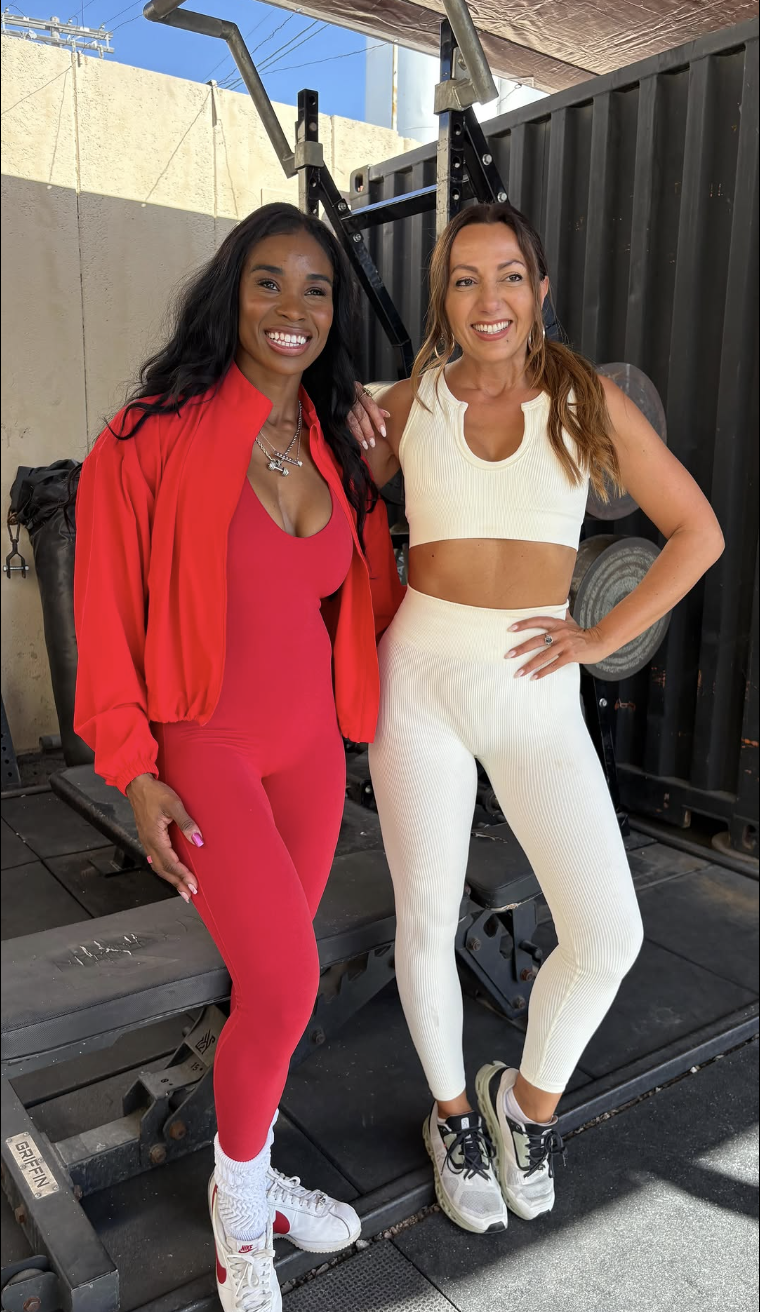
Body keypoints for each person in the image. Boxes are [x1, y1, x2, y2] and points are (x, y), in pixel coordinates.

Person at [349, 201, 724, 1236]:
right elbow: (315, 497)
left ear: (541, 289)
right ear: (444, 300)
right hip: (417, 681)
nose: (487, 299)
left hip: (534, 687)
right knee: (423, 921)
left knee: (607, 929)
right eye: (464, 280)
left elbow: (697, 530)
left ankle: (523, 1103)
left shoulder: (588, 399)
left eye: (507, 276)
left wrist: (599, 639)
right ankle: (454, 1116)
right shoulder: (407, 402)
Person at [73, 203, 404, 1311]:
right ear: (231, 292)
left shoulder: (331, 440)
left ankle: (251, 1174)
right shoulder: (147, 436)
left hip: (308, 747)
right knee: (285, 978)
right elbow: (106, 613)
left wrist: (390, 475)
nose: (292, 309)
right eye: (269, 283)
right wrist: (132, 767)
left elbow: (366, 595)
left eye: (315, 290)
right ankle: (237, 1221)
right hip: (204, 743)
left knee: (279, 994)